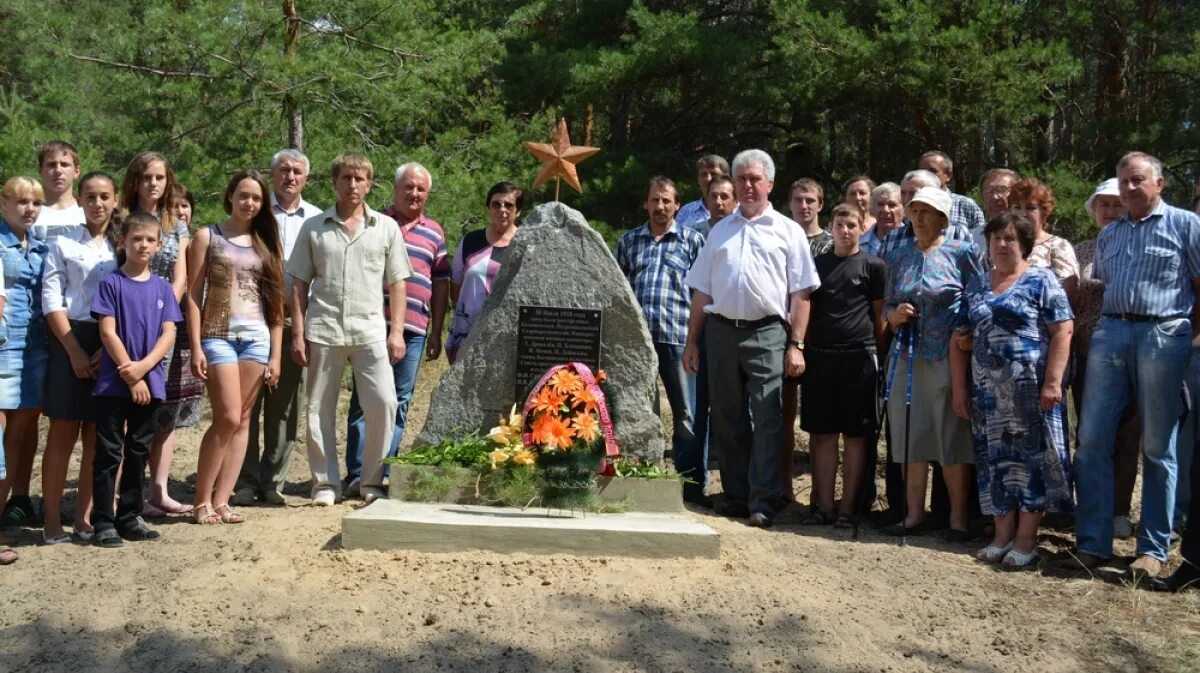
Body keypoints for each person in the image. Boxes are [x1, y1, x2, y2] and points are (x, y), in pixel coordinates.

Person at [1066, 152, 1200, 580]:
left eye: (1137, 180)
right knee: (1091, 440)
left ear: (1159, 184)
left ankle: (1153, 550)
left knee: (1158, 446)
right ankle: (1091, 543)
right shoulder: (1110, 235)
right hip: (1112, 332)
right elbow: (1108, 283)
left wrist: (1187, 335)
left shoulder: (1185, 224)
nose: (1128, 189)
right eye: (1123, 182)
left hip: (1163, 334)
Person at [683, 149, 820, 528]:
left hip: (768, 333)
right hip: (722, 332)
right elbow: (702, 292)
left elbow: (801, 294)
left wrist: (796, 344)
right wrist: (693, 342)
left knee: (768, 418)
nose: (747, 185)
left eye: (754, 179)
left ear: (769, 185)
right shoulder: (719, 230)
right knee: (726, 418)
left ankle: (763, 499)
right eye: (741, 178)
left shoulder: (788, 231)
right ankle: (737, 495)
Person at [287, 153, 411, 506]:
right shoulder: (314, 227)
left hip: (370, 329)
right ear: (334, 182)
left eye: (360, 179)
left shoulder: (385, 227)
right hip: (324, 329)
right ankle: (325, 484)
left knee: (384, 403)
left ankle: (370, 480)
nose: (353, 185)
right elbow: (298, 283)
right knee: (318, 409)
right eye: (346, 178)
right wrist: (297, 332)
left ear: (370, 184)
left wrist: (397, 330)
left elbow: (398, 282)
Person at [954, 213, 1074, 568]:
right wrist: (960, 387)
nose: (1002, 244)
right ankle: (1002, 535)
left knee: (1031, 463)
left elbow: (1063, 332)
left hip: (1030, 392)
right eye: (995, 238)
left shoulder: (1042, 280)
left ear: (1024, 244)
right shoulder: (976, 284)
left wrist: (1053, 382)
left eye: (1009, 238)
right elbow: (960, 337)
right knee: (994, 463)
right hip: (987, 397)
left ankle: (1026, 540)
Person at [882, 186, 983, 540]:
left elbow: (977, 298)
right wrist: (894, 314)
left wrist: (967, 330)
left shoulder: (962, 252)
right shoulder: (899, 255)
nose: (920, 217)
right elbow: (887, 302)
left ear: (943, 218)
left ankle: (957, 518)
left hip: (947, 356)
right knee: (910, 434)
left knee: (951, 436)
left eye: (927, 211)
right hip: (906, 356)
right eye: (915, 211)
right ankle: (913, 514)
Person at [343, 162, 449, 496]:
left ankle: (383, 470)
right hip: (372, 326)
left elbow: (441, 283)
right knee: (364, 399)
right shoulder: (374, 221)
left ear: (427, 194)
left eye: (420, 189)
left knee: (400, 401)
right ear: (395, 188)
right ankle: (357, 473)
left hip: (415, 329)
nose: (414, 193)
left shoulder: (435, 232)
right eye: (408, 187)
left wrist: (436, 331)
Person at [187, 171, 285, 525]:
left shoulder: (266, 243)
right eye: (243, 195)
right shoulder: (207, 236)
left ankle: (222, 500)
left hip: (257, 339)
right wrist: (196, 346)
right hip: (218, 336)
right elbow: (194, 296)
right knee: (226, 416)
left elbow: (276, 305)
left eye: (257, 198)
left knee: (243, 420)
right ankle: (201, 501)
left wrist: (276, 353)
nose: (249, 203)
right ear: (230, 196)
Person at [89, 212, 181, 547]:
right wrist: (129, 371)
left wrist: (143, 369)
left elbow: (168, 333)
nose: (143, 245)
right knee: (109, 452)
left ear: (159, 246)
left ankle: (130, 515)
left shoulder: (163, 288)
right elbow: (107, 331)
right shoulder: (111, 284)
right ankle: (103, 520)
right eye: (136, 239)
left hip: (150, 382)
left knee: (138, 450)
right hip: (114, 384)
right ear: (122, 242)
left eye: (149, 240)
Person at [38, 171, 120, 544]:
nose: (98, 203)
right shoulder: (63, 243)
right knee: (63, 431)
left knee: (97, 436)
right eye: (90, 196)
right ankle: (52, 519)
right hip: (69, 337)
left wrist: (109, 347)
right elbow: (51, 297)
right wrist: (73, 349)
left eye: (105, 196)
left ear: (115, 200)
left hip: (111, 340)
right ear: (81, 200)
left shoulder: (121, 246)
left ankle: (85, 518)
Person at [236, 149, 320, 506]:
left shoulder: (317, 219)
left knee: (284, 404)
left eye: (297, 171)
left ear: (306, 178)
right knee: (247, 402)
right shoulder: (255, 210)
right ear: (273, 175)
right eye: (283, 170)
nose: (290, 176)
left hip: (294, 317)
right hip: (251, 317)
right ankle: (244, 479)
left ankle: (273, 481)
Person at [800, 204, 885, 528]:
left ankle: (848, 508)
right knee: (822, 435)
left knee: (855, 437)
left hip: (859, 358)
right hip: (821, 357)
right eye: (840, 224)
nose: (845, 230)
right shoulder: (816, 266)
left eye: (851, 224)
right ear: (831, 227)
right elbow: (807, 310)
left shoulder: (874, 266)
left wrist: (879, 357)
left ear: (861, 227)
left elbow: (878, 319)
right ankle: (823, 506)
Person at [119, 151, 194, 516]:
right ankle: (122, 494)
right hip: (125, 324)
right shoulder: (122, 218)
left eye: (160, 178)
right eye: (147, 177)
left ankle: (159, 491)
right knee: (125, 410)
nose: (153, 184)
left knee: (163, 411)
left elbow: (181, 276)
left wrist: (163, 312)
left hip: (166, 325)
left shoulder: (175, 223)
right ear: (135, 180)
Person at [616, 176, 704, 469]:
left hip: (679, 338)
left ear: (677, 205)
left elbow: (702, 293)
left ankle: (689, 484)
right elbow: (618, 291)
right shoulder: (629, 241)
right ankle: (643, 473)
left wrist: (697, 339)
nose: (660, 206)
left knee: (687, 414)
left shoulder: (692, 241)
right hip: (637, 344)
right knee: (640, 411)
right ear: (645, 204)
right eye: (655, 200)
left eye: (666, 200)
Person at [1072, 178, 1140, 540]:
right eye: (1104, 205)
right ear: (1094, 211)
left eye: (1117, 204)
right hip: (1086, 355)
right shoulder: (1080, 250)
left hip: (1132, 353)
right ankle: (1091, 509)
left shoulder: (1140, 247)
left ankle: (1118, 511)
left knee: (1128, 434)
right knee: (1090, 437)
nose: (1110, 211)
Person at [677, 175, 737, 506]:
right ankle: (691, 485)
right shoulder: (692, 236)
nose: (719, 202)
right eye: (713, 196)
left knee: (729, 412)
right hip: (696, 329)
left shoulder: (743, 234)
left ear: (735, 201)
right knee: (694, 411)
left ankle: (732, 487)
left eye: (725, 196)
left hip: (729, 330)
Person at [0, 177, 49, 529]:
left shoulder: (40, 247)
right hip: (3, 347)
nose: (29, 208)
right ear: (4, 202)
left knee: (17, 437)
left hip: (35, 351)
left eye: (35, 202)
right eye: (21, 201)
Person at [782, 178, 833, 500]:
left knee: (821, 423)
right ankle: (783, 488)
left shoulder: (831, 244)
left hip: (823, 339)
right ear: (789, 203)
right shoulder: (781, 236)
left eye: (811, 200)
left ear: (821, 205)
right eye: (799, 200)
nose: (804, 206)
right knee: (782, 417)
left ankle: (820, 494)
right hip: (786, 337)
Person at [446, 182, 523, 363]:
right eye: (496, 204)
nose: (502, 210)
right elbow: (455, 286)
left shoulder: (525, 244)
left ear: (518, 211)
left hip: (507, 334)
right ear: (489, 207)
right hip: (468, 330)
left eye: (509, 205)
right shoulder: (470, 241)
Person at [1009, 178, 1079, 297]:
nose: (1023, 214)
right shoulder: (999, 244)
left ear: (1044, 212)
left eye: (1030, 208)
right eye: (1017, 207)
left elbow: (1066, 293)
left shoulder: (1058, 246)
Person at [919, 150, 986, 233]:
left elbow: (981, 239)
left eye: (932, 171)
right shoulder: (912, 204)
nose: (926, 176)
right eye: (922, 171)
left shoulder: (965, 205)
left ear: (948, 175)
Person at [33, 141, 84, 243]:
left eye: (65, 165)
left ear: (76, 172)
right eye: (51, 165)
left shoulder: (88, 211)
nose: (58, 171)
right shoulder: (28, 211)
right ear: (40, 171)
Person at [677, 155, 730, 231]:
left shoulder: (738, 211)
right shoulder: (685, 212)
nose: (708, 179)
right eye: (703, 174)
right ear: (698, 180)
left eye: (713, 174)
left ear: (726, 178)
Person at [860, 182, 902, 259]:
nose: (885, 210)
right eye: (880, 204)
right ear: (872, 208)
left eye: (892, 205)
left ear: (903, 209)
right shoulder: (860, 244)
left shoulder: (914, 240)